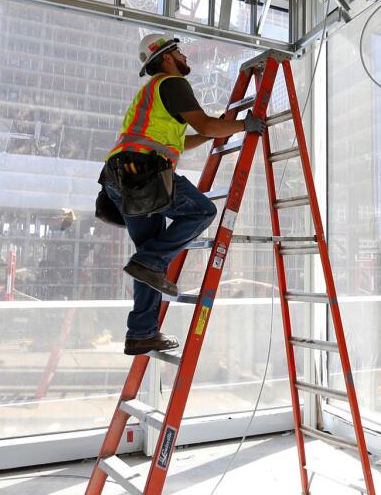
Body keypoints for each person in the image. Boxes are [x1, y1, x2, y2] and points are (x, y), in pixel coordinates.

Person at [102, 33, 265, 356]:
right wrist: (246, 125)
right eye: (179, 52)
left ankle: (141, 333)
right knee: (201, 211)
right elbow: (205, 127)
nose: (185, 57)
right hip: (142, 172)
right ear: (165, 57)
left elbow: (184, 140)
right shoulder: (171, 83)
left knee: (149, 259)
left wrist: (212, 133)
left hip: (123, 176)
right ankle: (148, 262)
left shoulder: (152, 93)